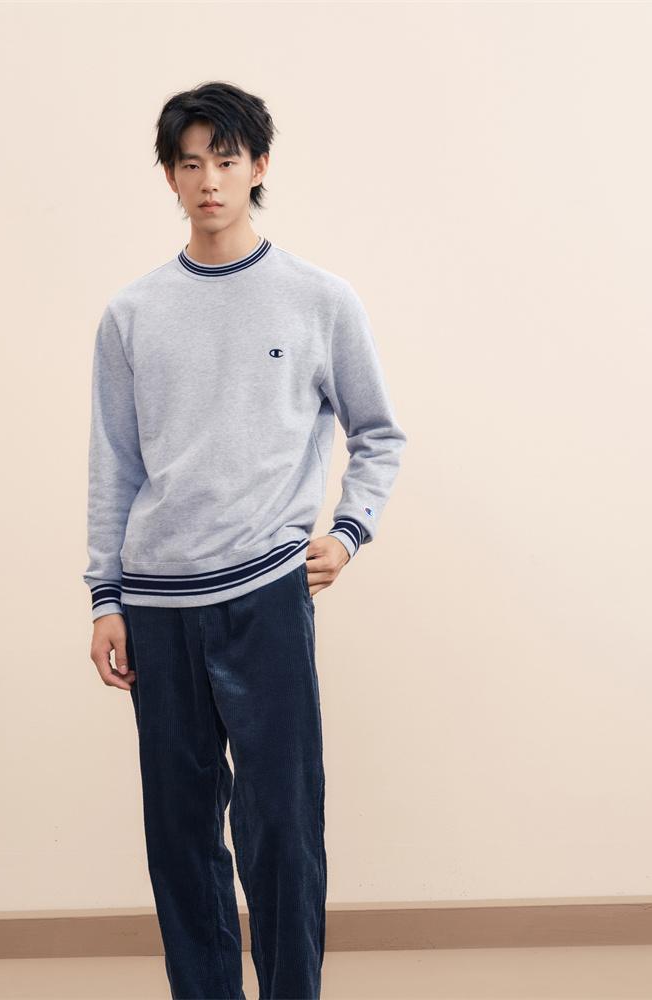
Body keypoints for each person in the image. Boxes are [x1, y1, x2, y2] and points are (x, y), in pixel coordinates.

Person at [83, 80, 407, 1000]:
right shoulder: (132, 314)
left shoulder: (317, 299)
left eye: (226, 161)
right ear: (170, 177)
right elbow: (115, 465)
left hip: (266, 595)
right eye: (190, 164)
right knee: (181, 838)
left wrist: (349, 531)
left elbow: (380, 432)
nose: (210, 181)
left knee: (284, 829)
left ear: (257, 165)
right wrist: (105, 599)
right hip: (158, 607)